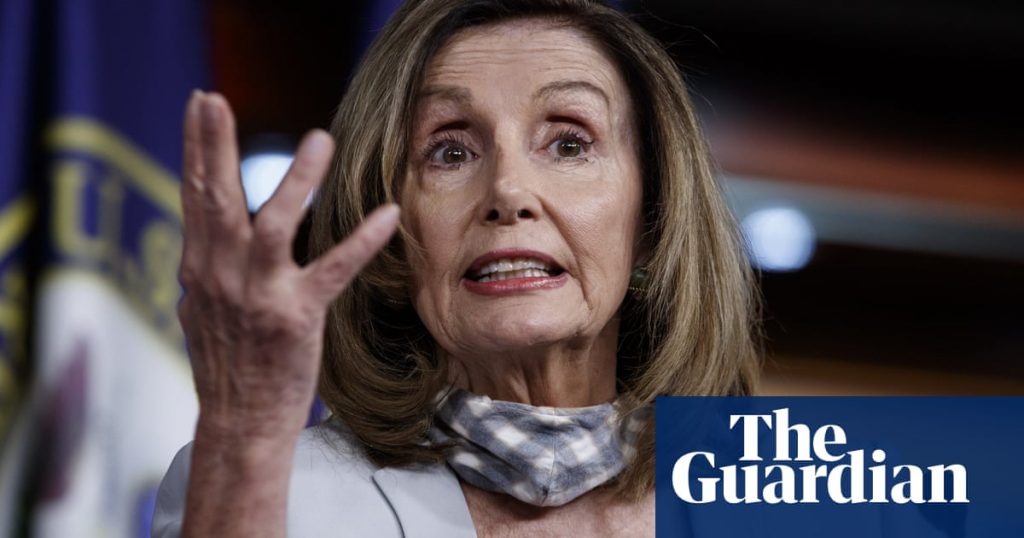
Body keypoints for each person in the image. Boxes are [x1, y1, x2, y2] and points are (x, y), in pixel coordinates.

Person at [153, 0, 760, 536]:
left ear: (653, 219)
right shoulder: (268, 491)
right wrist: (244, 430)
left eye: (569, 144)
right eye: (450, 152)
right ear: (392, 236)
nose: (508, 190)